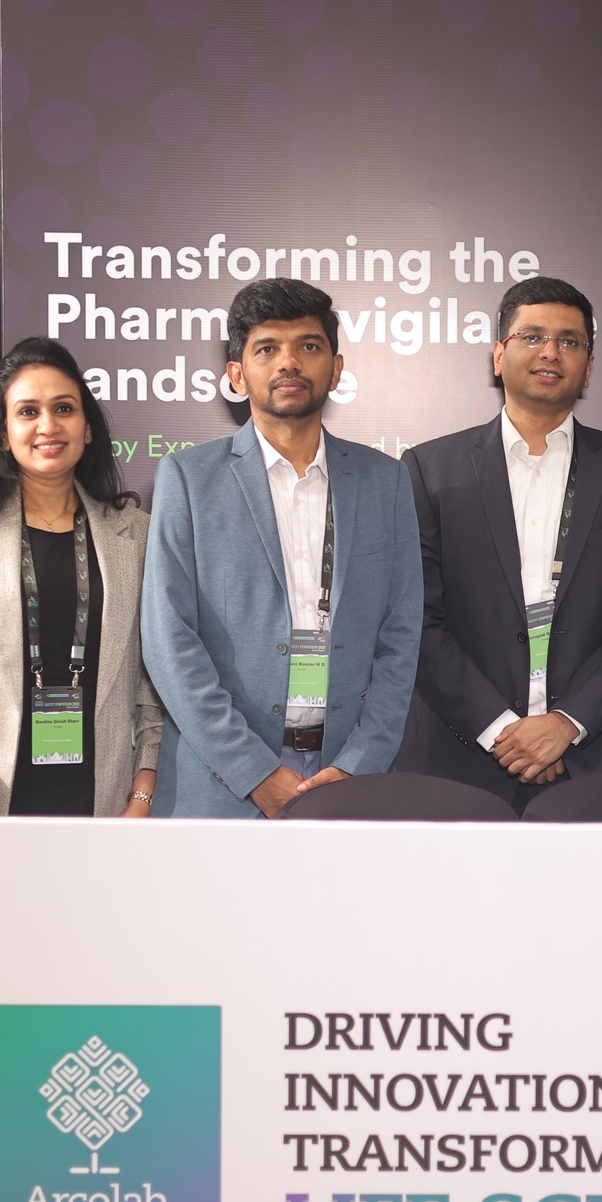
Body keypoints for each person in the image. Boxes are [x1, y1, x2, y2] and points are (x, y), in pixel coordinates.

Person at [142, 278, 422, 818]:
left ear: (336, 369)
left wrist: (359, 764)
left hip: (348, 777)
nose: (289, 362)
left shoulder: (385, 481)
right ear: (236, 374)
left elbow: (401, 635)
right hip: (222, 786)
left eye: (308, 346)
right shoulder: (188, 478)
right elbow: (167, 639)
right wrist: (254, 771)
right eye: (267, 348)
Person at [397, 277, 602, 810]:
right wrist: (501, 729)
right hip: (461, 753)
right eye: (532, 337)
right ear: (498, 355)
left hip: (601, 752)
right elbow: (417, 619)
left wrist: (567, 723)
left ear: (588, 366)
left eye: (570, 341)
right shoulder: (429, 470)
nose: (551, 352)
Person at [0, 336, 162, 816]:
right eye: (28, 412)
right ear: (3, 433)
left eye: (64, 409)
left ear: (88, 428)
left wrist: (142, 791)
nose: (48, 425)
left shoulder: (135, 534)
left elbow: (150, 684)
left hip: (102, 795)